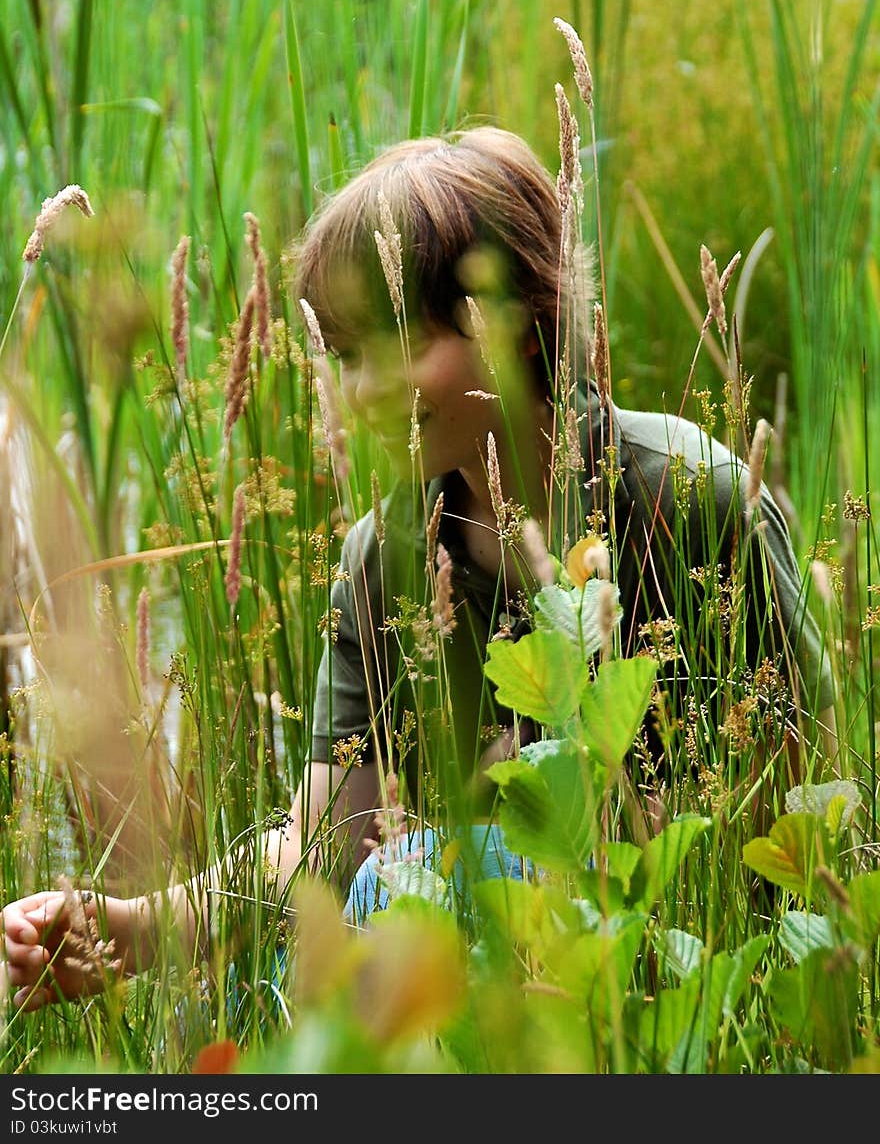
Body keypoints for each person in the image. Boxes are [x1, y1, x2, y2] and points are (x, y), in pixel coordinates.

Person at [1, 124, 837, 1011]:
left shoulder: (689, 497)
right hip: (503, 992)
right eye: (349, 354)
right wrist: (134, 925)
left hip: (693, 978)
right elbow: (322, 844)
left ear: (515, 318)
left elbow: (796, 809)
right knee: (351, 912)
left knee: (406, 880)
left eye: (400, 339)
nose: (365, 389)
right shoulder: (385, 556)